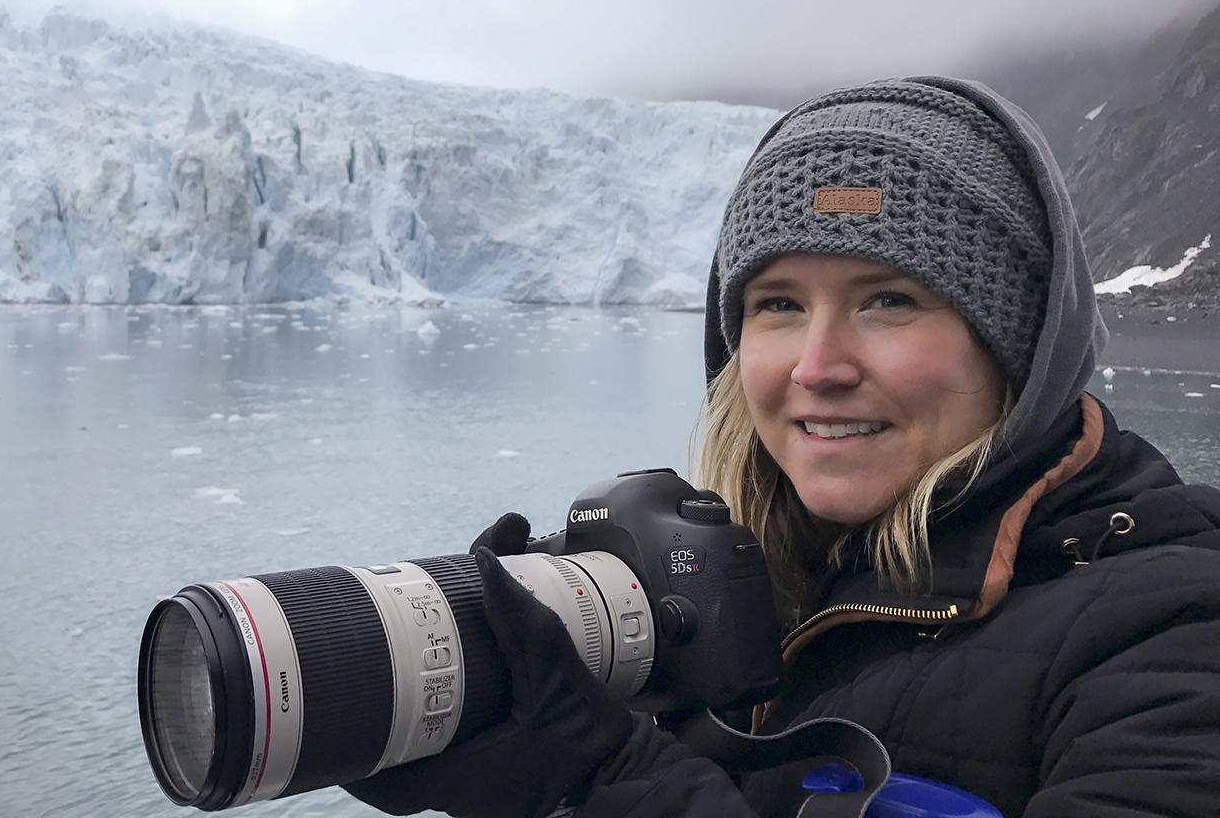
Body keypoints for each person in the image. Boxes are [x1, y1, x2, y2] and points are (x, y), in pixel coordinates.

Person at [346, 78, 1220, 817]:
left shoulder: (1171, 637)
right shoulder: (749, 594)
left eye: (887, 300)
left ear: (1018, 348)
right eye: (778, 303)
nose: (817, 365)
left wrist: (612, 777)